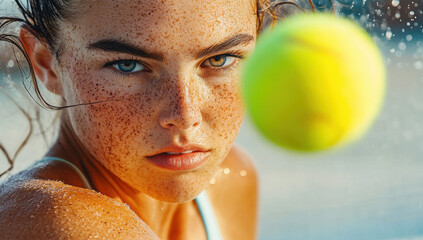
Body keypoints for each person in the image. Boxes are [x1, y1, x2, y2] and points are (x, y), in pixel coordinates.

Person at [0, 0, 296, 239]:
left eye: (220, 59)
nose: (185, 115)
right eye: (128, 65)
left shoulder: (230, 183)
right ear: (46, 63)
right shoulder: (55, 219)